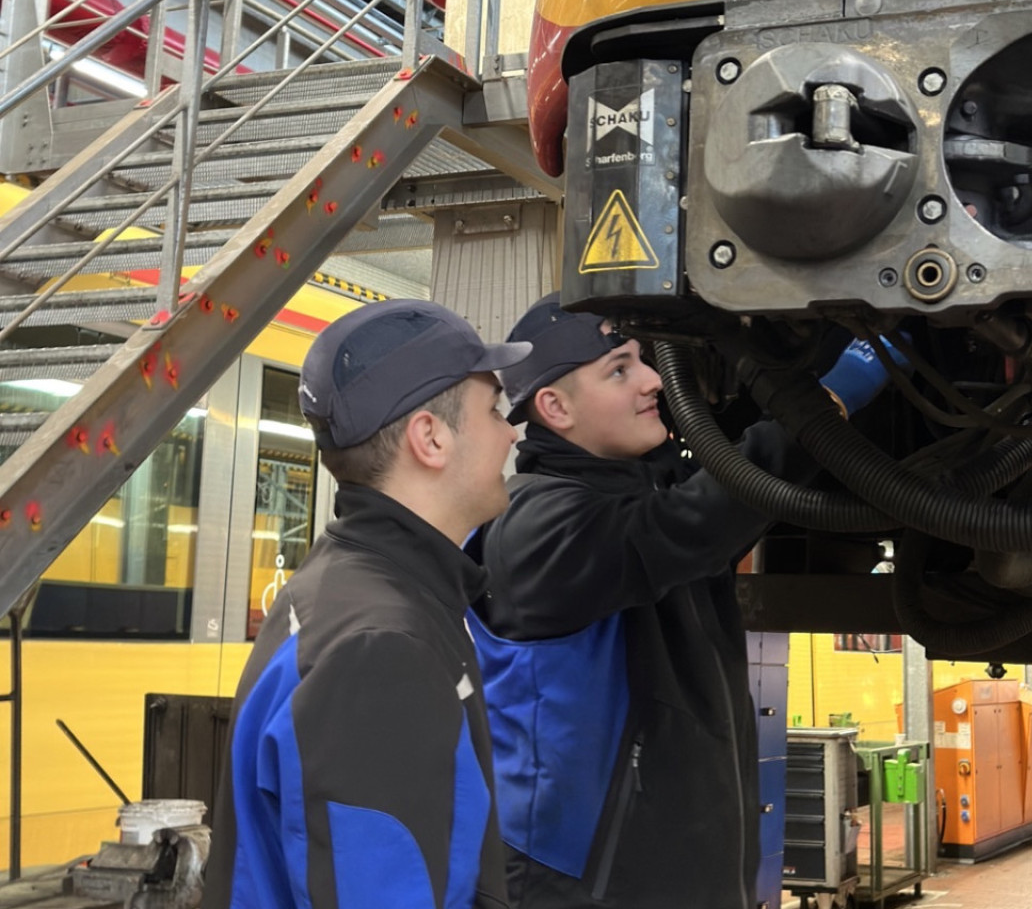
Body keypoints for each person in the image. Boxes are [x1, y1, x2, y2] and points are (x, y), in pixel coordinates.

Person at [469, 293, 893, 909]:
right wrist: (828, 400)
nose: (650, 382)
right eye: (619, 368)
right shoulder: (536, 523)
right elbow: (693, 523)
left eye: (644, 359)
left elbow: (703, 514)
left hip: (678, 878)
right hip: (582, 888)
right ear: (555, 406)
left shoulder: (637, 492)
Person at [203, 300, 530, 909]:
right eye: (493, 411)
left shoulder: (346, 587)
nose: (512, 433)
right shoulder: (383, 647)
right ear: (430, 437)